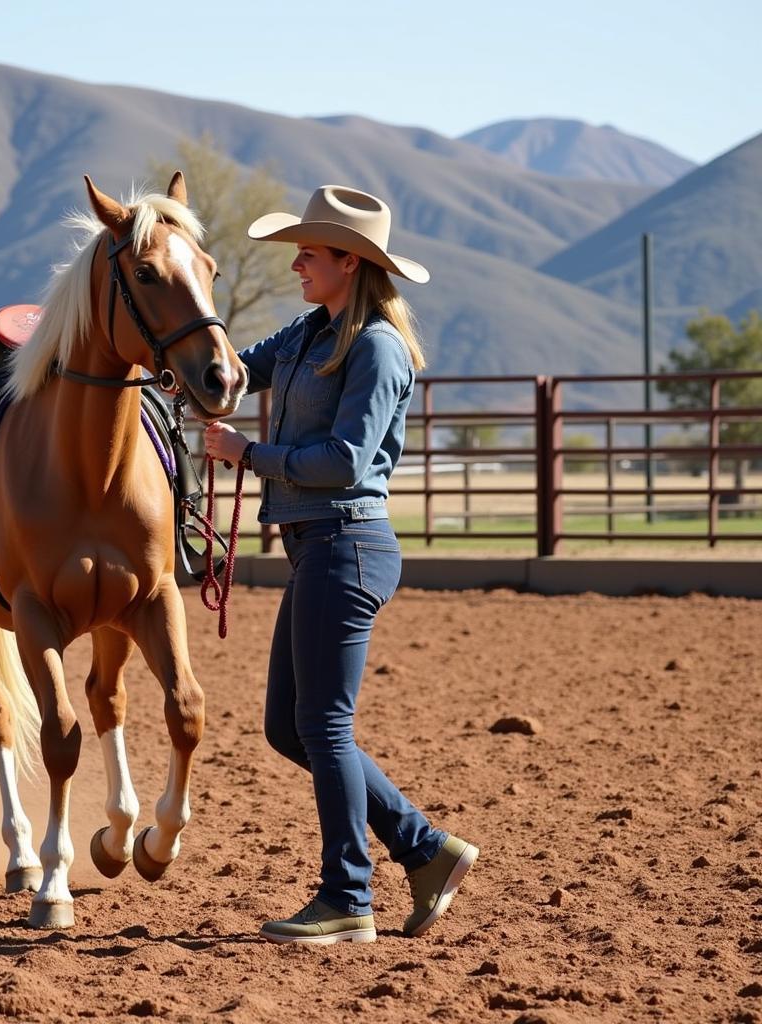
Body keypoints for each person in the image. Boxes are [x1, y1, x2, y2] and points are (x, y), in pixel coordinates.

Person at [204, 186, 478, 945]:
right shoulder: (307, 331)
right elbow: (233, 371)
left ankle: (347, 898)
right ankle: (427, 850)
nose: (295, 263)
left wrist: (248, 454)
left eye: (310, 254)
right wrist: (178, 348)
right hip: (318, 548)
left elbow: (348, 459)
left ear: (349, 263)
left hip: (348, 545)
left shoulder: (377, 348)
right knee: (291, 728)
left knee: (321, 724)